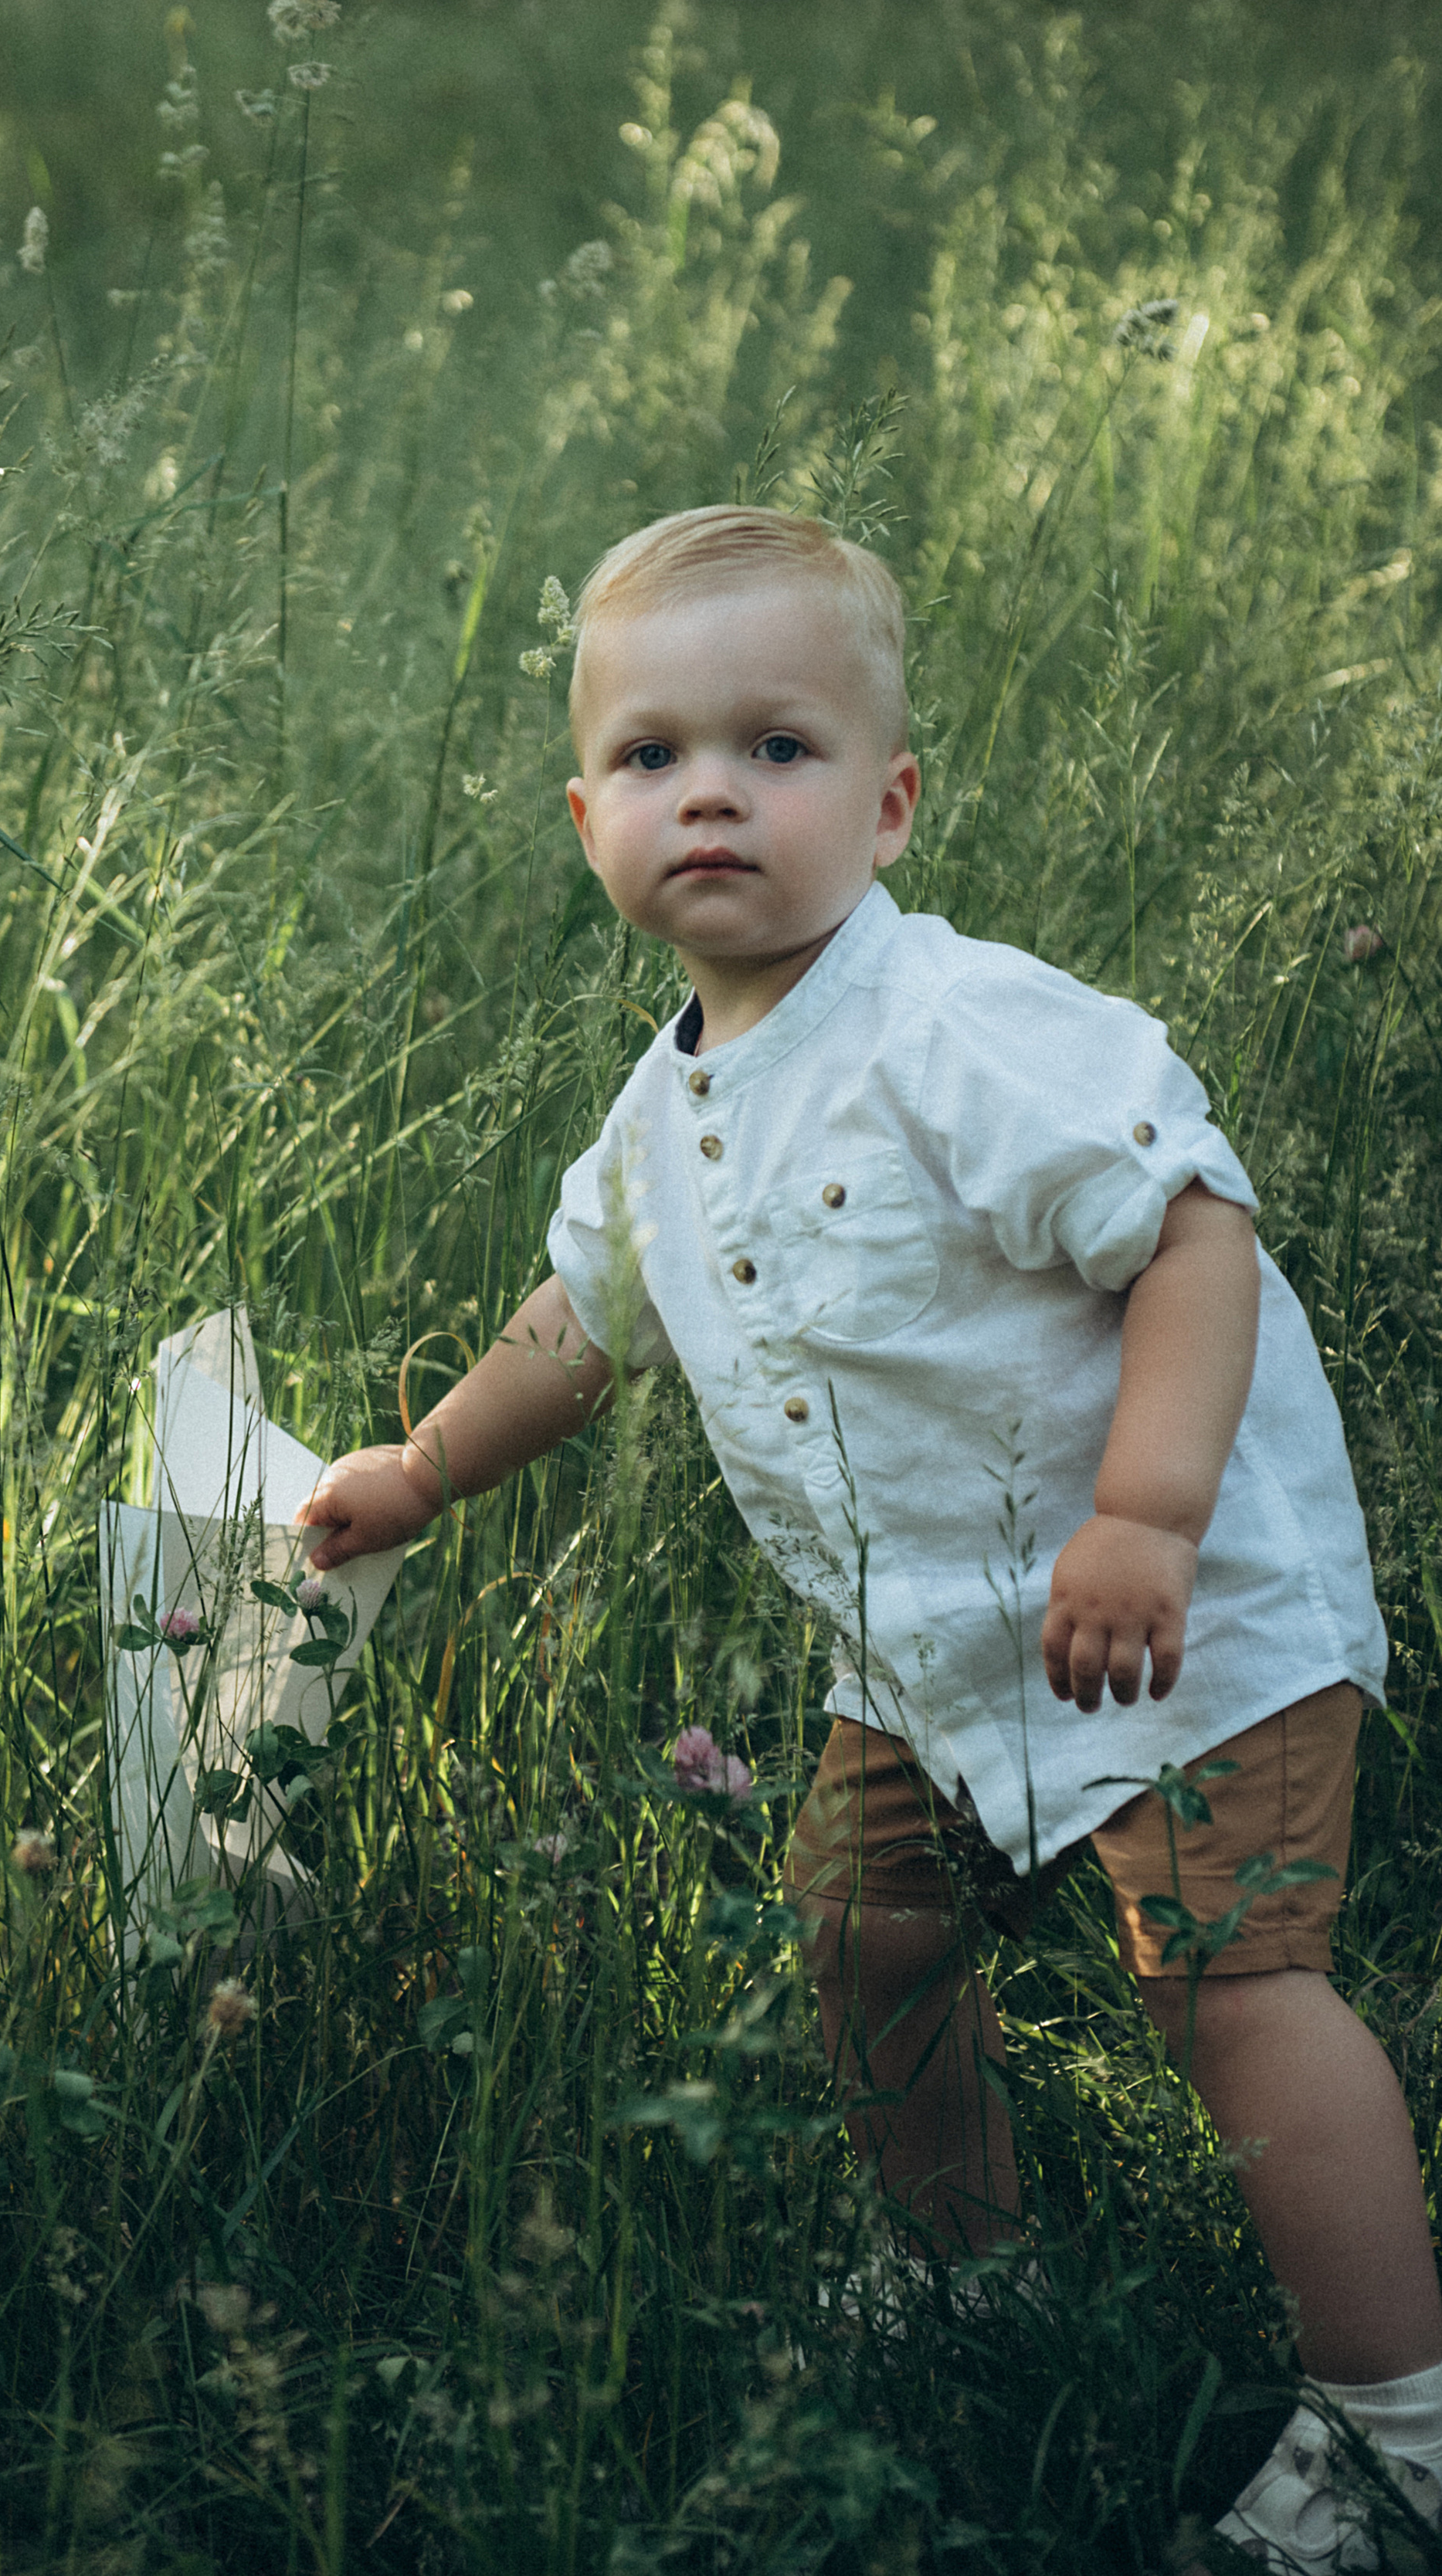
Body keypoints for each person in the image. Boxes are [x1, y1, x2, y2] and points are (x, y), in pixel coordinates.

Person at [296, 505, 1442, 2570]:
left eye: (778, 746)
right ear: (586, 819)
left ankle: (1394, 2416)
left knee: (1232, 1988)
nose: (709, 788)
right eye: (651, 756)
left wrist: (1148, 1512)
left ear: (892, 800)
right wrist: (423, 1467)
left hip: (1184, 1611)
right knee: (861, 1926)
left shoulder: (960, 1032)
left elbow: (1191, 1223)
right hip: (923, 1646)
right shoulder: (661, 1113)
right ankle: (960, 2262)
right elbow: (584, 1321)